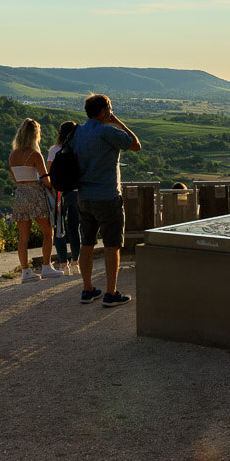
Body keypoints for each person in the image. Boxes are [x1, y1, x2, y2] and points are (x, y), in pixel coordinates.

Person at [74, 94, 141, 306]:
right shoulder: (107, 131)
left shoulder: (77, 132)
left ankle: (87, 290)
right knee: (112, 245)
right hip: (107, 197)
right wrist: (118, 122)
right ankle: (111, 293)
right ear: (104, 111)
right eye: (110, 108)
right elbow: (136, 145)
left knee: (87, 243)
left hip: (83, 197)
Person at [8, 118, 63, 283]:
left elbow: (16, 179)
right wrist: (53, 188)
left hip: (20, 195)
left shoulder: (13, 155)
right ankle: (46, 267)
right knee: (47, 232)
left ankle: (26, 272)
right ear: (34, 136)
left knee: (23, 236)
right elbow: (45, 178)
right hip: (36, 195)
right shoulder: (35, 154)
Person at [47, 121, 81, 276]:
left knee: (59, 229)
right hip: (76, 191)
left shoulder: (54, 151)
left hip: (59, 193)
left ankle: (63, 265)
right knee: (74, 229)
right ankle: (75, 263)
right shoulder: (78, 148)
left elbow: (49, 173)